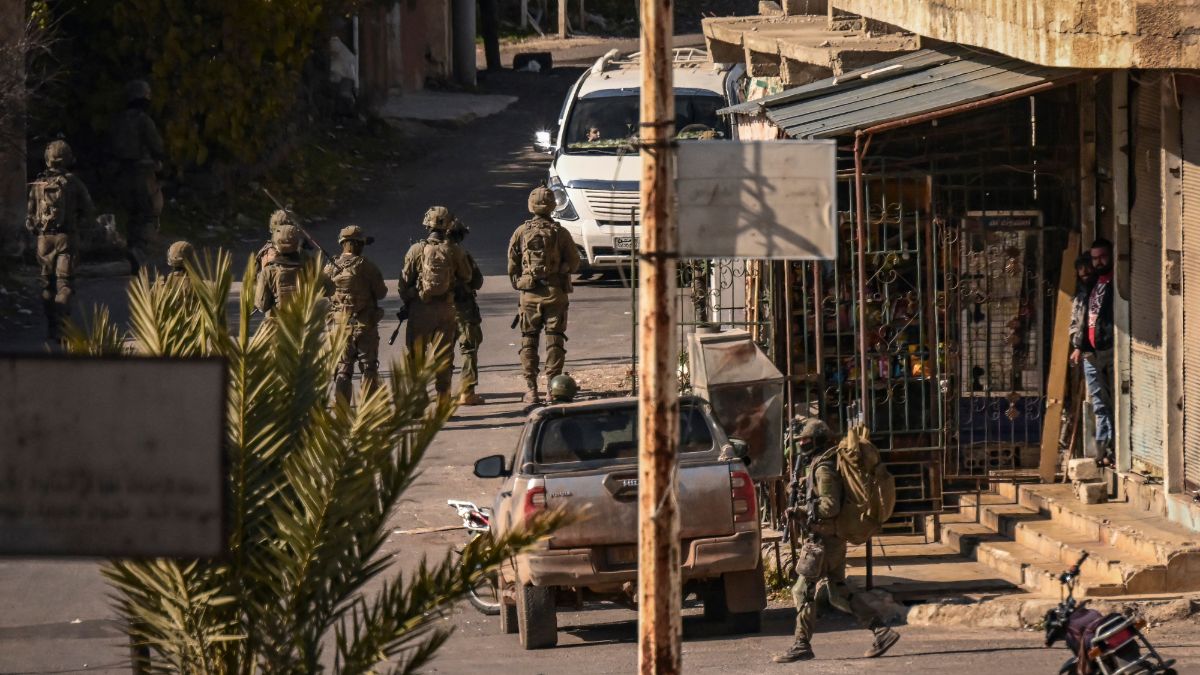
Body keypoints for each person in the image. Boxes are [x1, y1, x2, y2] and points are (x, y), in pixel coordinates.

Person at [774, 416, 900, 664]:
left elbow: (829, 506)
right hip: (830, 538)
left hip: (824, 539)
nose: (802, 445)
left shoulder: (823, 467)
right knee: (838, 592)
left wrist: (800, 511)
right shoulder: (821, 463)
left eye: (806, 440)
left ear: (817, 441)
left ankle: (801, 644)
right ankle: (881, 630)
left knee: (802, 590)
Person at [508, 186, 581, 403]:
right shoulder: (561, 232)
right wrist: (561, 271)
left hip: (529, 295)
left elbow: (512, 266)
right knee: (555, 340)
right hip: (555, 293)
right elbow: (575, 262)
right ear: (552, 206)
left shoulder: (521, 232)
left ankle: (531, 389)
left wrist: (522, 284)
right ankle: (552, 388)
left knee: (528, 340)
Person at [398, 206, 473, 402]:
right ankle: (443, 400)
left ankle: (417, 401)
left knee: (416, 357)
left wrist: (411, 297)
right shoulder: (454, 250)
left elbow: (403, 283)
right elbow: (467, 276)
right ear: (448, 224)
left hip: (421, 309)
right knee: (444, 356)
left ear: (427, 223)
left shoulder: (416, 249)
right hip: (446, 310)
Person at [26, 140, 95, 340]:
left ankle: (51, 327)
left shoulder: (38, 185)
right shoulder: (73, 182)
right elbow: (89, 210)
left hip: (43, 240)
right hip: (67, 237)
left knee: (47, 284)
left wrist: (36, 229)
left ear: (47, 159)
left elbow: (29, 215)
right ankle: (63, 328)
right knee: (64, 284)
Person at [326, 225, 388, 403]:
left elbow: (320, 290)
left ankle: (342, 409)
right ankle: (367, 412)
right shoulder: (367, 267)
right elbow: (381, 292)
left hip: (340, 326)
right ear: (357, 244)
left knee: (343, 368)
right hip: (364, 325)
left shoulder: (331, 267)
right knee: (368, 367)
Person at [110, 79, 165, 275]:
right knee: (147, 212)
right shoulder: (143, 120)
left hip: (122, 174)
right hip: (142, 173)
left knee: (131, 214)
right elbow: (157, 145)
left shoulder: (118, 120)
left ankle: (132, 251)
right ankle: (140, 251)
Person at [1072, 238, 1115, 467]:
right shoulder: (1090, 287)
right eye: (1095, 258)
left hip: (1108, 351)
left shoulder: (1115, 284)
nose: (1099, 262)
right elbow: (1079, 319)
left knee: (1112, 403)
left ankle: (1112, 450)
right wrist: (1078, 345)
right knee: (1099, 403)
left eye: (1103, 257)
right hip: (1090, 353)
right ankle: (1102, 452)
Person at [448, 217, 486, 406]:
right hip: (463, 308)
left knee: (442, 350)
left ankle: (442, 393)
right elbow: (477, 281)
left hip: (436, 309)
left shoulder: (422, 251)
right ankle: (467, 391)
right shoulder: (461, 253)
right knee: (468, 348)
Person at [254, 223, 305, 317]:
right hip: (301, 326)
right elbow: (327, 290)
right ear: (297, 243)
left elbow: (262, 305)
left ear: (276, 244)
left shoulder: (268, 271)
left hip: (275, 324)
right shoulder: (307, 268)